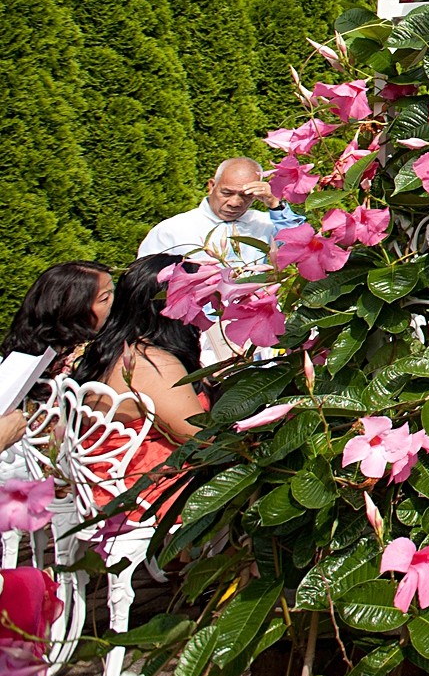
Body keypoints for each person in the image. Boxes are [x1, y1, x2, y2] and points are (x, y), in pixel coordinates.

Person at [72, 255, 209, 514]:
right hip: (146, 496)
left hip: (112, 485)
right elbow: (203, 439)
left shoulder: (114, 348)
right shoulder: (151, 363)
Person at [136, 158, 285, 271]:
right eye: (226, 193)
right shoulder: (171, 230)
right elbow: (145, 278)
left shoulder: (266, 224)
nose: (235, 202)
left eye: (246, 195)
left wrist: (275, 204)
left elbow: (298, 244)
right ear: (211, 186)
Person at [0, 262, 114, 374]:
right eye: (105, 298)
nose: (114, 302)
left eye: (114, 293)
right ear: (74, 309)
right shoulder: (89, 359)